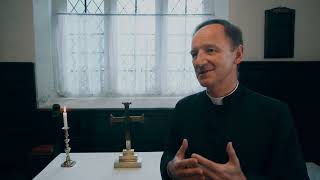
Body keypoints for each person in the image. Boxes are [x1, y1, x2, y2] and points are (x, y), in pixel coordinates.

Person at [160, 19, 310, 180]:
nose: (198, 61)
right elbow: (169, 155)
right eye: (194, 54)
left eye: (210, 50)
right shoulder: (184, 108)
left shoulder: (274, 113)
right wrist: (171, 168)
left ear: (238, 54)